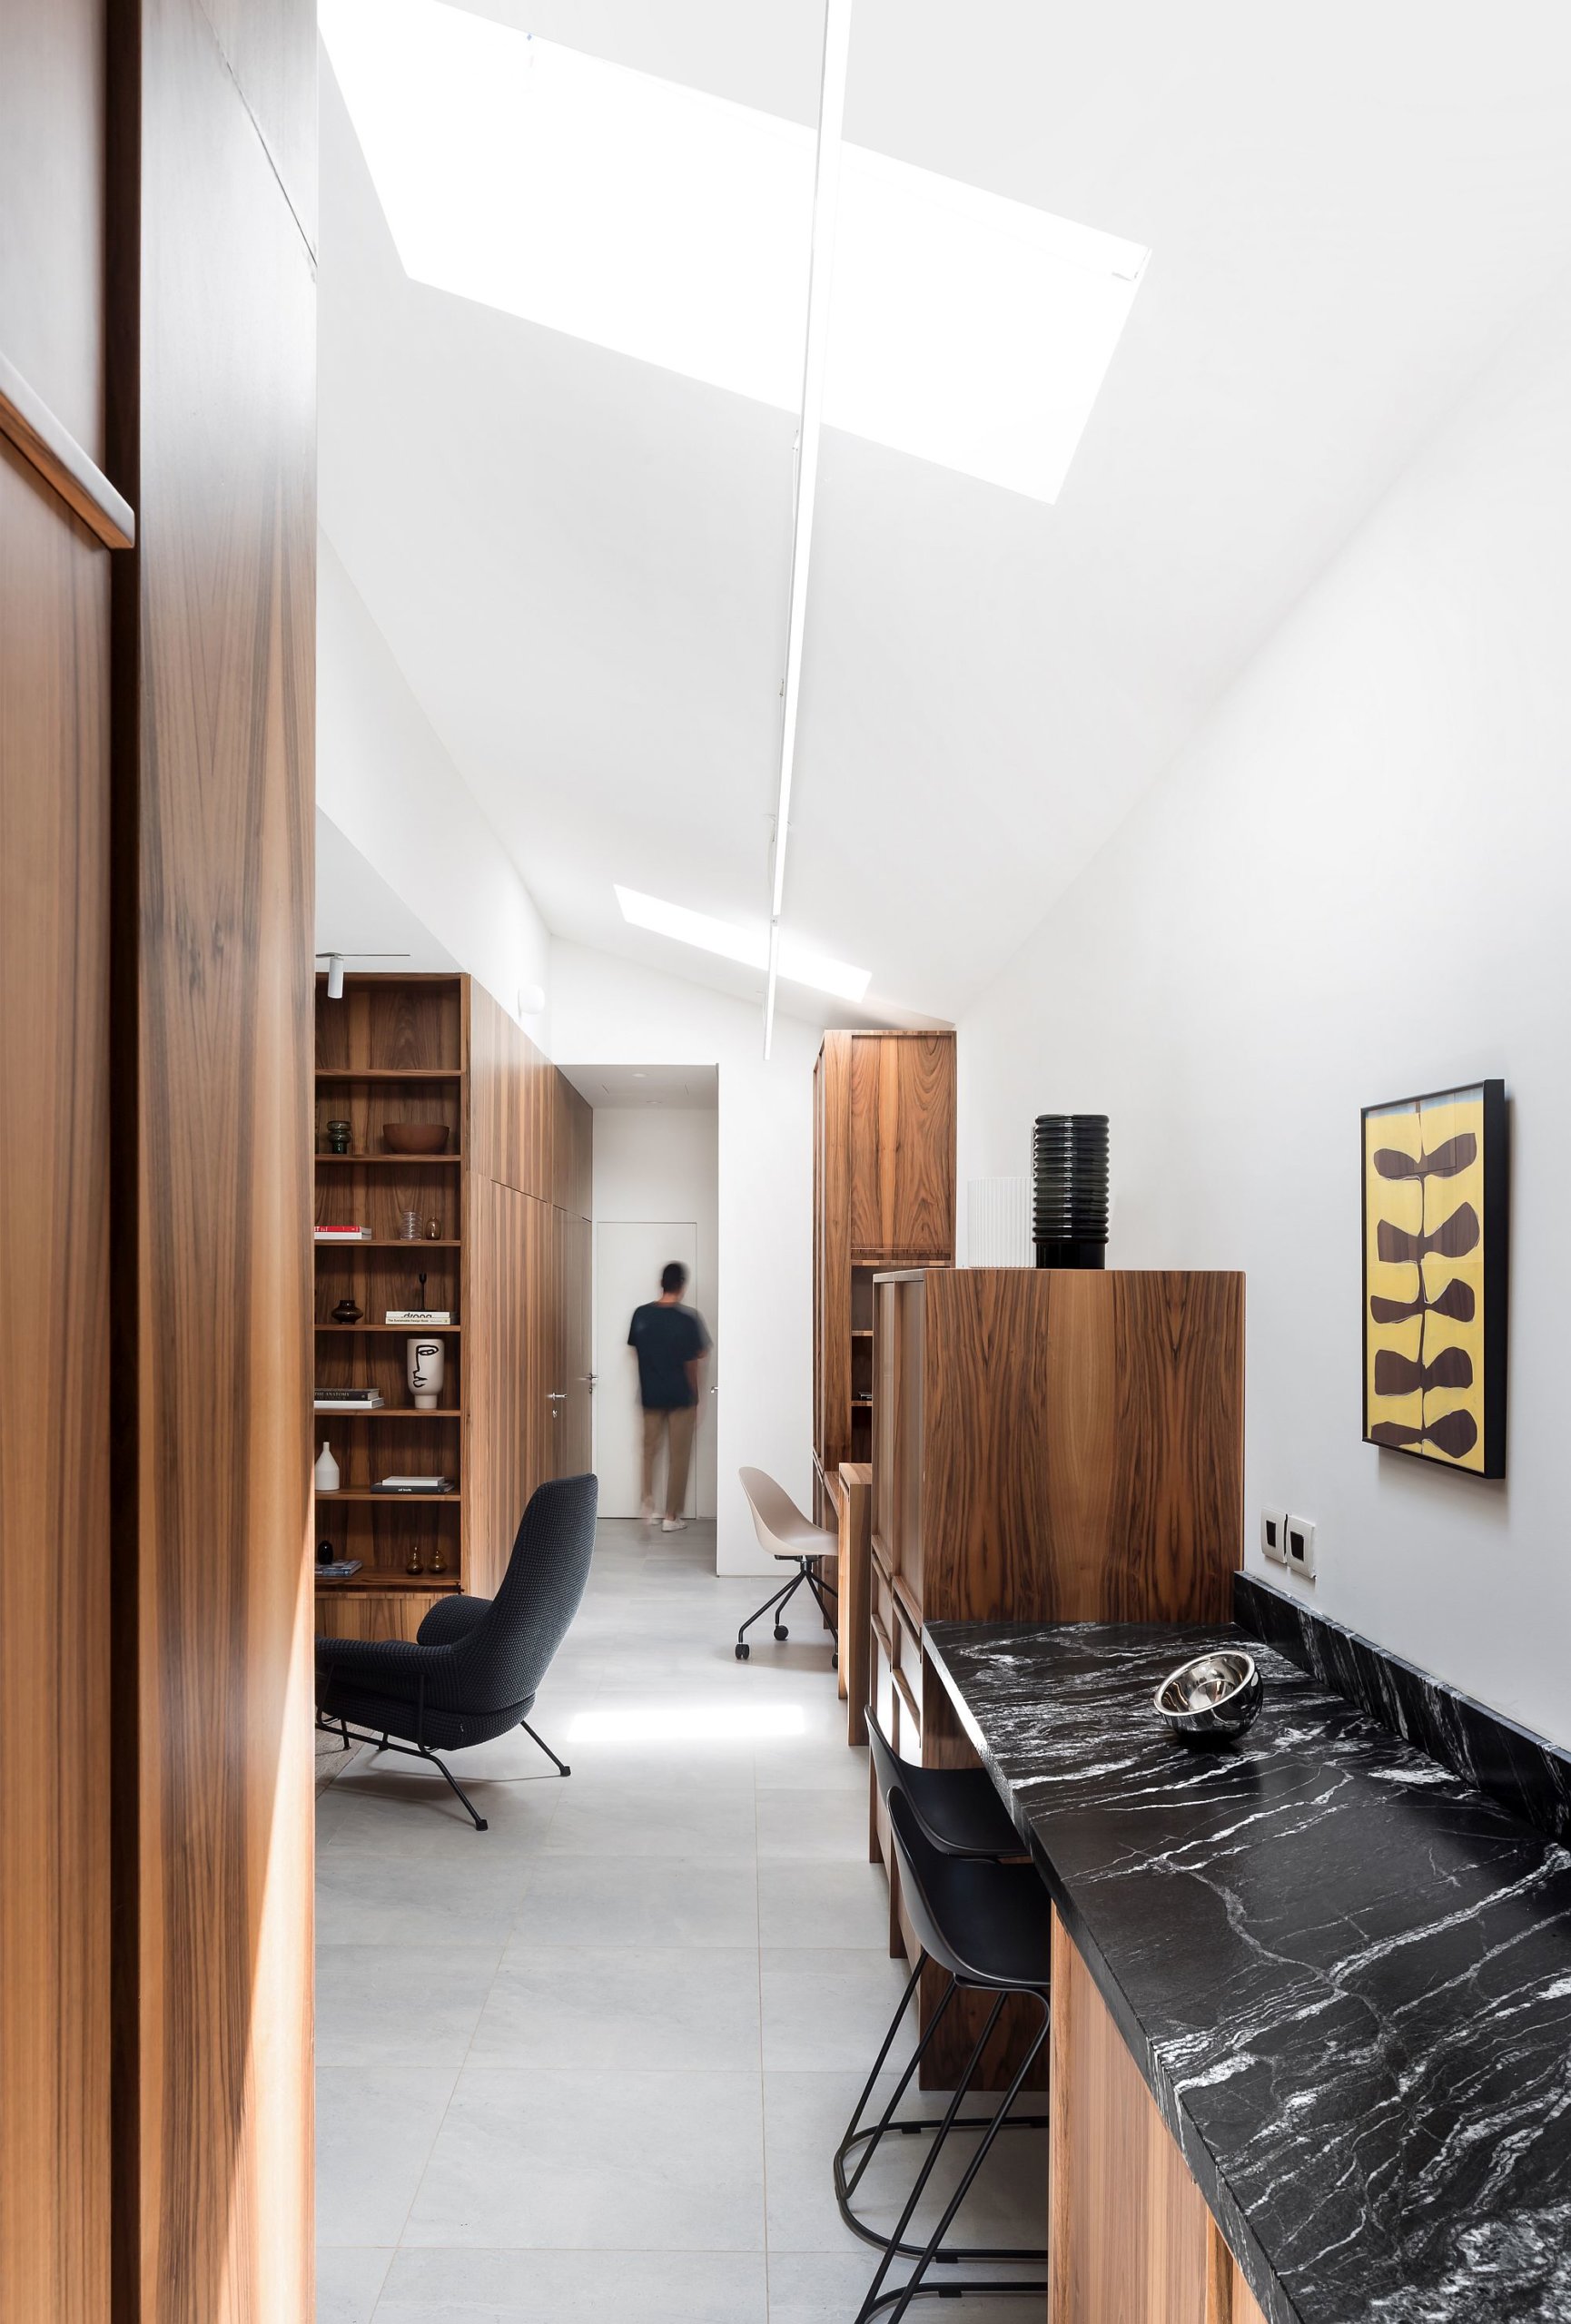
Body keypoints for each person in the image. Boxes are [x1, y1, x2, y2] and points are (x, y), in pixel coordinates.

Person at [627, 1260, 711, 1531]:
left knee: (649, 1452)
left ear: (661, 1283)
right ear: (682, 1286)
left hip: (651, 1394)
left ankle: (647, 1504)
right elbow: (696, 1360)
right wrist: (697, 1399)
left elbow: (637, 1350)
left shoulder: (640, 1315)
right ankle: (671, 1517)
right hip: (680, 1397)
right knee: (679, 1456)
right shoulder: (689, 1318)